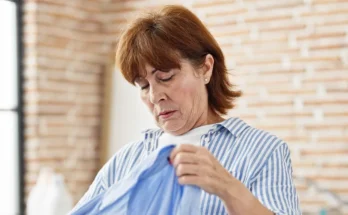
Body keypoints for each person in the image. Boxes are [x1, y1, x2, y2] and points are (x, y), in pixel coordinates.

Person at [73, 5, 301, 215]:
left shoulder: (262, 151)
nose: (154, 96)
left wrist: (228, 188)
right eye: (143, 86)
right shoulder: (126, 161)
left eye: (166, 77)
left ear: (205, 68)